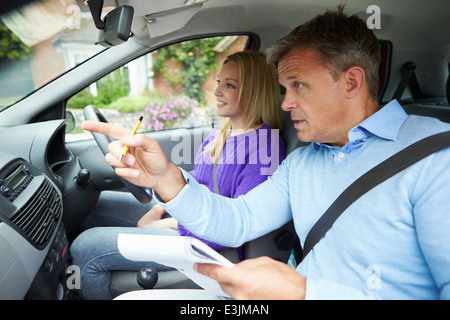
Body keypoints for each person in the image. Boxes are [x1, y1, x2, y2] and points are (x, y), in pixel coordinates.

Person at [81, 6, 450, 300]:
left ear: (351, 82)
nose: (286, 103)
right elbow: (238, 219)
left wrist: (306, 293)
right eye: (283, 88)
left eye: (298, 85)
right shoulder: (304, 161)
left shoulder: (436, 157)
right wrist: (166, 179)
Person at [70, 51, 286, 299]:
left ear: (254, 92)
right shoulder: (222, 131)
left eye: (229, 85)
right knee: (95, 206)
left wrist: (167, 222)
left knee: (87, 248)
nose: (217, 91)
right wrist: (160, 205)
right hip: (190, 218)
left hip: (208, 244)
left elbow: (236, 225)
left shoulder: (266, 146)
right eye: (218, 81)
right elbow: (196, 180)